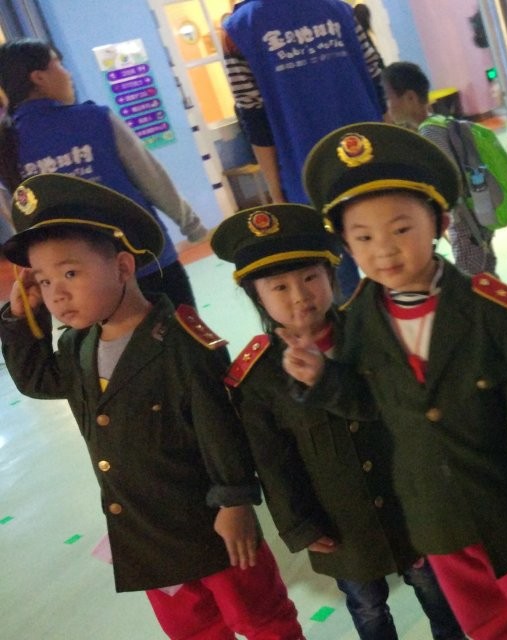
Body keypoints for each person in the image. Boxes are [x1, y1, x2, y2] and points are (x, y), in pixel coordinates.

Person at [286, 122, 507, 640]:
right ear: (346, 245)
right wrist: (325, 380)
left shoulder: (492, 312)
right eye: (364, 237)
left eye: (401, 229)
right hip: (434, 518)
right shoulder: (361, 322)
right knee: (486, 626)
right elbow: (371, 403)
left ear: (440, 223)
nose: (384, 250)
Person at [0, 174, 302, 639]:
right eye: (43, 280)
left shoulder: (183, 343)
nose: (56, 293)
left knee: (262, 619)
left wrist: (236, 501)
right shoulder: (78, 346)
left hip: (209, 524)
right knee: (193, 630)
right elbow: (38, 381)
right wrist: (20, 317)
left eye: (70, 274)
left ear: (123, 267)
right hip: (143, 534)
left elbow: (219, 429)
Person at [212, 203, 464, 640]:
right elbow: (273, 462)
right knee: (367, 607)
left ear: (331, 276)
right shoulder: (258, 377)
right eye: (279, 287)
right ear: (257, 297)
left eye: (310, 278)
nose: (299, 296)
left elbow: (404, 413)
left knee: (438, 592)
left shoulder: (373, 332)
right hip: (340, 524)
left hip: (409, 505)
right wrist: (299, 526)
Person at [0, 39, 207, 308]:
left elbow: (20, 222)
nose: (68, 74)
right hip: (143, 257)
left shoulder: (7, 147)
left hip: (78, 284)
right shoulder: (95, 119)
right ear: (38, 77)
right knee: (184, 332)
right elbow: (152, 178)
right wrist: (191, 225)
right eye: (58, 64)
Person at [222, 0, 386, 298]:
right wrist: (394, 150)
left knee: (337, 283)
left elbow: (255, 118)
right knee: (392, 263)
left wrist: (276, 192)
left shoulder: (238, 30)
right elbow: (376, 81)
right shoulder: (339, 9)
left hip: (305, 177)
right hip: (371, 160)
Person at [381, 61, 497, 276]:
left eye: (388, 98)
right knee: (485, 274)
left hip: (464, 222)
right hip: (474, 216)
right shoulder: (440, 122)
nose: (387, 107)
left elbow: (448, 181)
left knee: (473, 279)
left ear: (410, 98)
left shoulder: (430, 133)